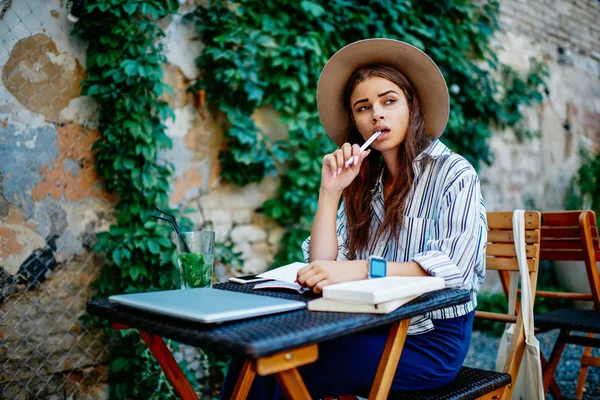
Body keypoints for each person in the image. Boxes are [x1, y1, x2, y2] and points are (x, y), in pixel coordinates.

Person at [220, 38, 487, 399]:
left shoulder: (454, 172)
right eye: (364, 108)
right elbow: (323, 265)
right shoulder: (367, 182)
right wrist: (330, 192)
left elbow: (456, 267)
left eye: (389, 101)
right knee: (253, 351)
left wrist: (363, 268)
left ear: (413, 106)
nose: (376, 114)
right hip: (366, 324)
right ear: (357, 124)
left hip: (427, 339)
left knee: (282, 363)